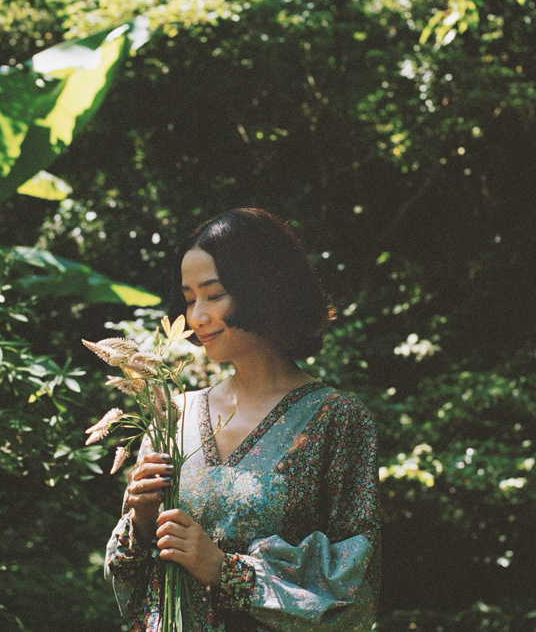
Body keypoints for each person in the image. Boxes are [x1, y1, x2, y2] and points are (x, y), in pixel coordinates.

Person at [105, 208, 380, 631]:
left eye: (213, 295)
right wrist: (141, 522)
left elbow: (355, 584)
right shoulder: (174, 415)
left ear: (263, 290)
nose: (196, 317)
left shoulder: (337, 419)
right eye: (189, 299)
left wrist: (224, 570)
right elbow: (127, 579)